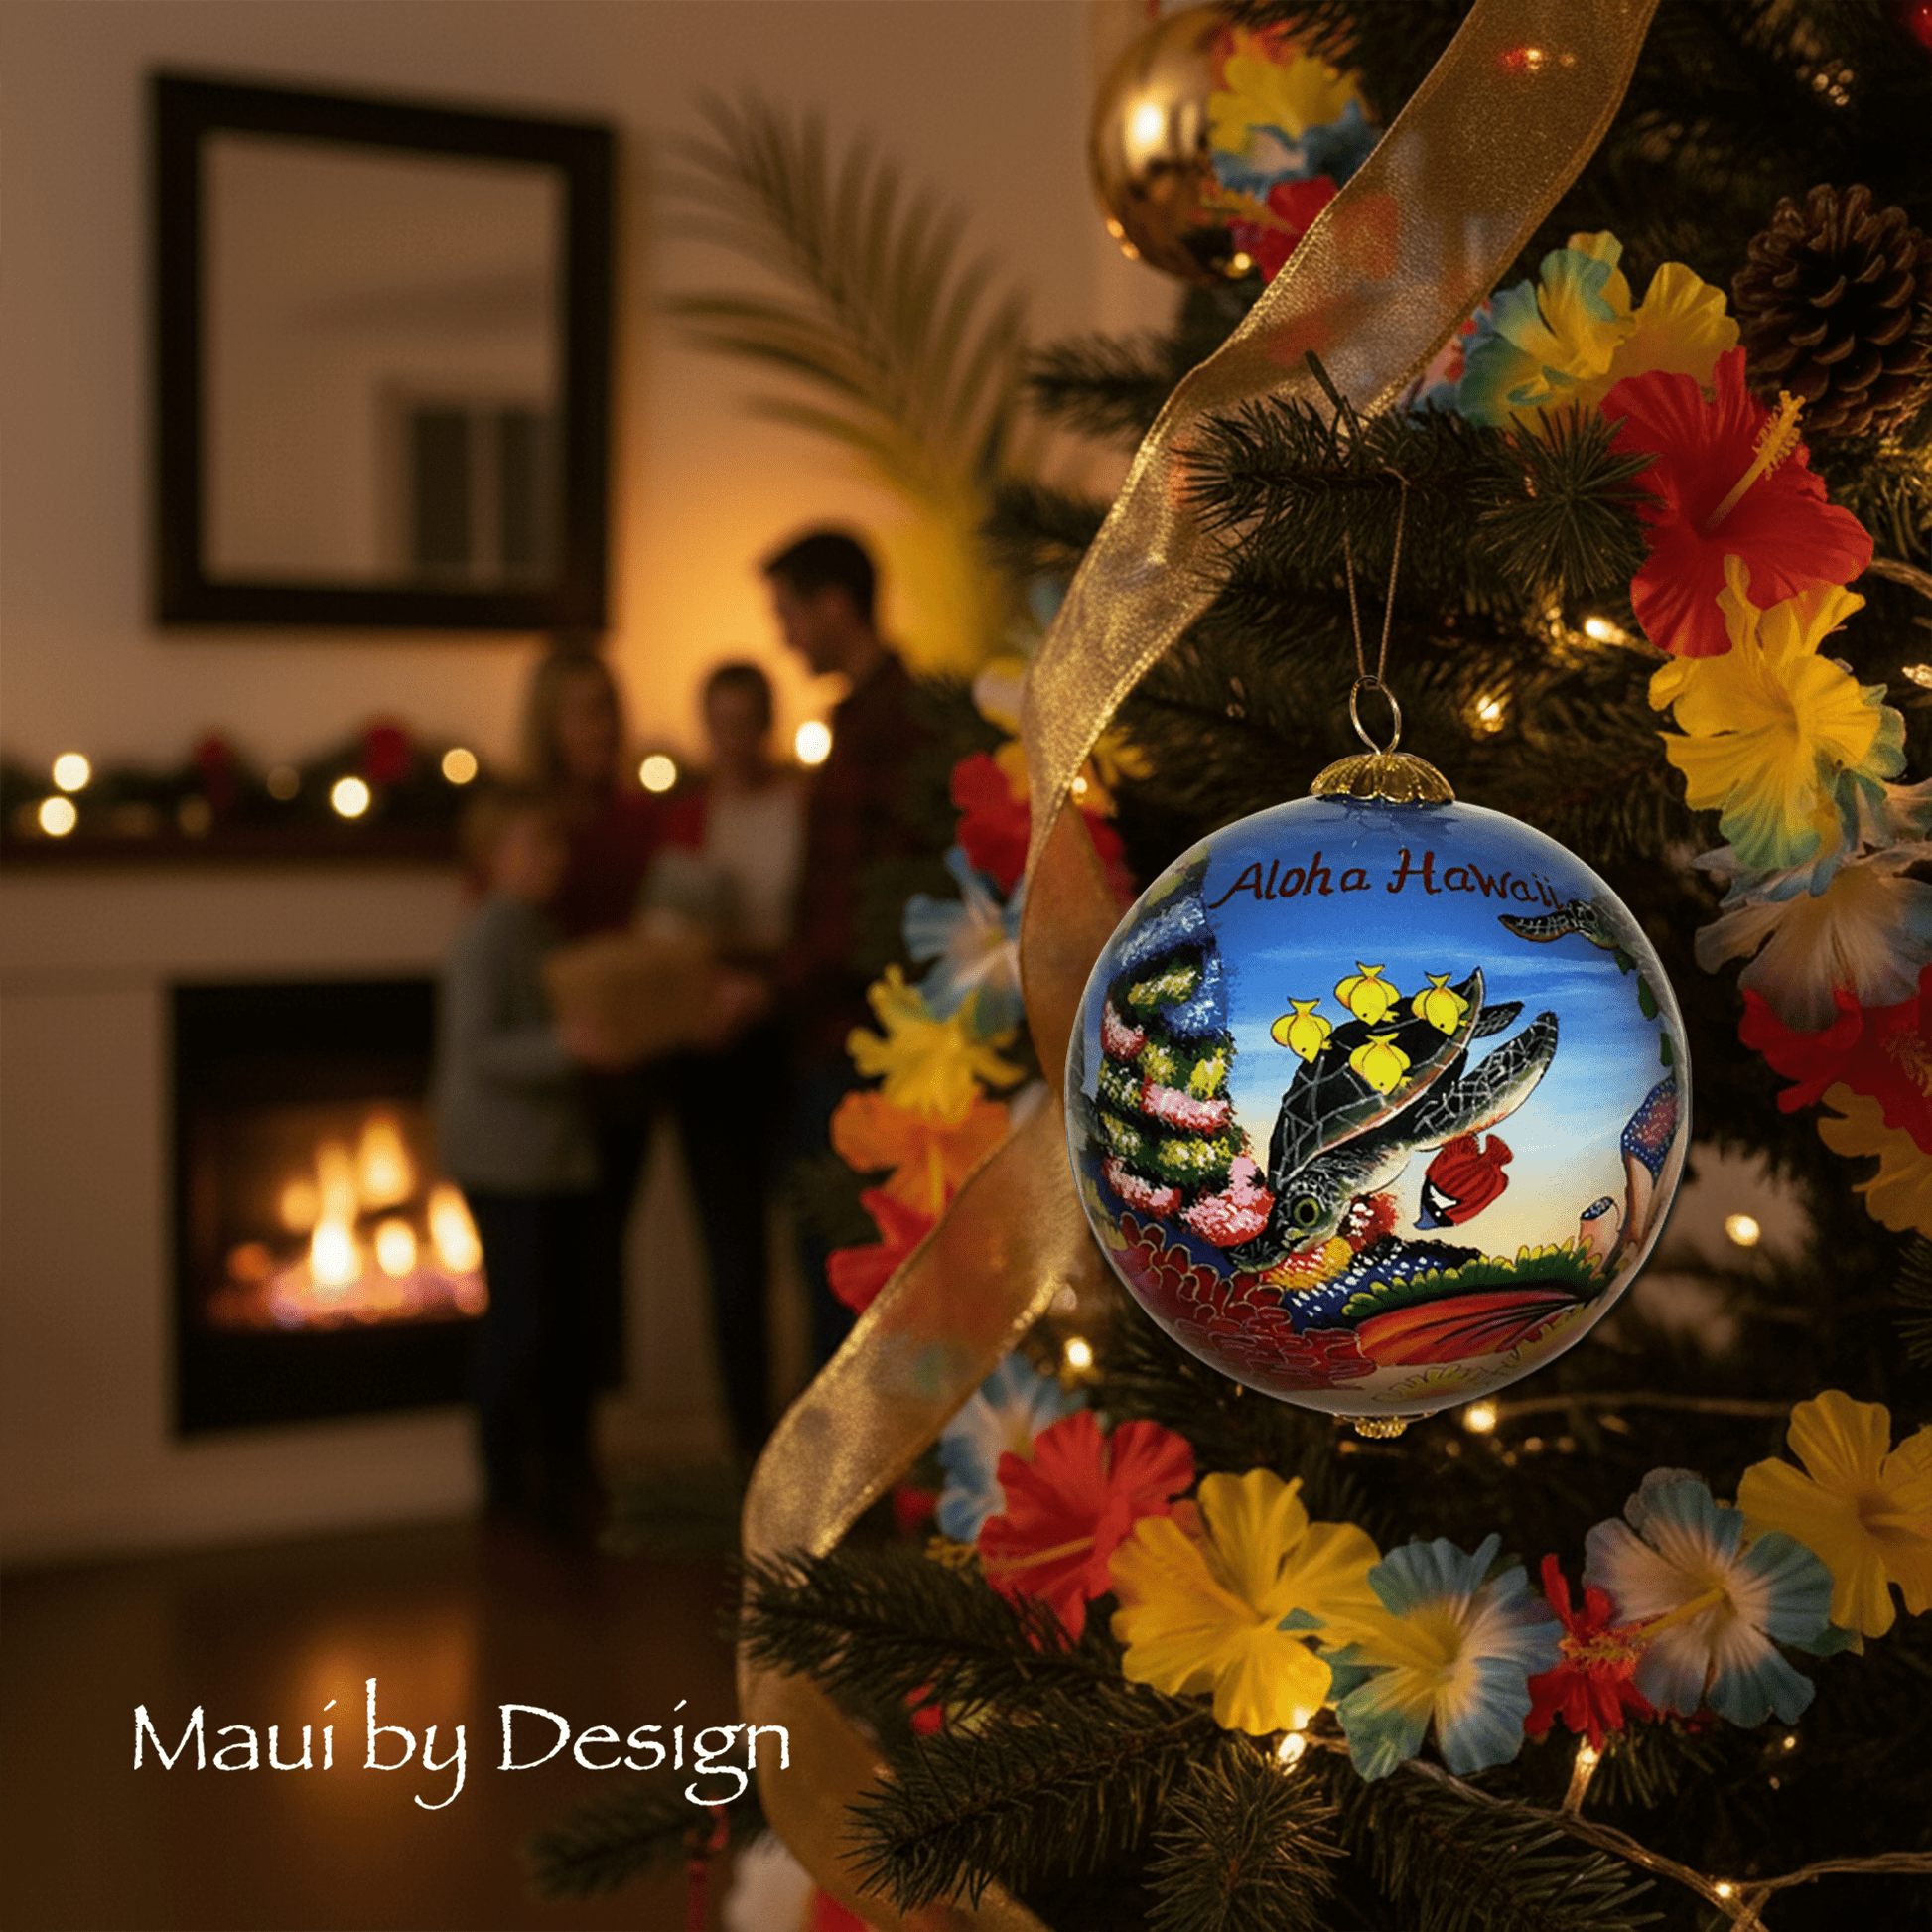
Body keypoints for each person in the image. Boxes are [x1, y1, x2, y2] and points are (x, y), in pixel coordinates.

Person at [761, 528, 931, 1365]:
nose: (786, 637)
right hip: (832, 1033)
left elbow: (870, 907)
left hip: (856, 1042)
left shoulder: (893, 726)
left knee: (847, 1269)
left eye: (789, 614)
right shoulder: (860, 720)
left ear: (834, 606)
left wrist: (771, 988)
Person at [432, 784, 620, 1533]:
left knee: (566, 1321)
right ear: (493, 854)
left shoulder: (538, 930)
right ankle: (508, 1486)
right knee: (521, 1324)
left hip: (552, 1157)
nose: (554, 859)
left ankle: (560, 1471)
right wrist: (566, 1047)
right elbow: (477, 1048)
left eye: (556, 843)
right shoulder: (486, 936)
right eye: (536, 844)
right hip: (508, 1161)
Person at [649, 661, 805, 1461]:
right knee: (731, 1255)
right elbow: (662, 933)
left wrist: (766, 989)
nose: (732, 739)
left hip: (785, 1036)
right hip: (706, 1046)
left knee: (810, 1243)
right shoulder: (685, 816)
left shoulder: (801, 807)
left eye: (745, 722)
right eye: (719, 723)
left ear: (767, 725)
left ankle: (813, 1432)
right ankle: (748, 1439)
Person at [517, 643, 666, 1389]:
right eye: (580, 712)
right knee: (546, 1281)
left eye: (606, 708)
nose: (598, 727)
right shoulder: (522, 827)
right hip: (548, 1086)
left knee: (601, 1263)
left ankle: (585, 1434)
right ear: (548, 724)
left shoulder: (640, 819)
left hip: (625, 1082)